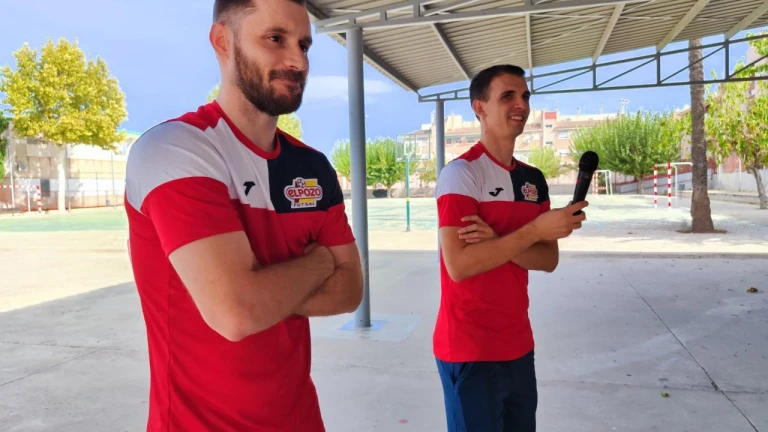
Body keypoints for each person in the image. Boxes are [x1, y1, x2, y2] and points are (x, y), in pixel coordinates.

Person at [124, 0, 363, 430]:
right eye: (275, 38)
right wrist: (320, 263)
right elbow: (236, 312)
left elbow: (350, 291)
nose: (297, 61)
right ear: (222, 41)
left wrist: (260, 291)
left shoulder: (313, 167)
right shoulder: (175, 149)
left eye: (304, 45)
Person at [433, 64, 589, 432]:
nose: (521, 104)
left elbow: (548, 259)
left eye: (525, 96)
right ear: (480, 108)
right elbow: (460, 265)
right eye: (507, 96)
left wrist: (497, 241)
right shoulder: (460, 174)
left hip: (519, 345)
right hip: (470, 349)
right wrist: (533, 231)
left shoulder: (533, 180)